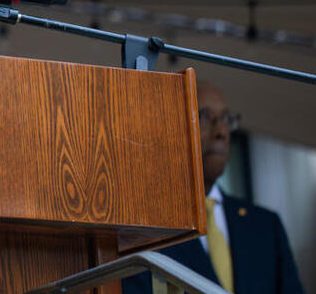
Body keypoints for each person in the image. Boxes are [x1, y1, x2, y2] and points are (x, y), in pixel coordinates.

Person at [121, 81, 305, 294]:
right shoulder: (145, 228)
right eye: (205, 117)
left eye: (226, 119)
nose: (220, 132)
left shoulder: (266, 227)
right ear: (173, 128)